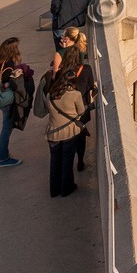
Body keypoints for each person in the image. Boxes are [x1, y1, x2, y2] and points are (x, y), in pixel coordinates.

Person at [36, 49, 88, 198]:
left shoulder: (50, 94)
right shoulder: (75, 95)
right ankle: (66, 188)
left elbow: (47, 109)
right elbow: (81, 112)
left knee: (54, 162)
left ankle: (54, 189)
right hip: (69, 132)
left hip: (52, 132)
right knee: (67, 161)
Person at [0, 37, 26, 168]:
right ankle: (3, 158)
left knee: (6, 125)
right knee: (7, 127)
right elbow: (6, 85)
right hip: (8, 100)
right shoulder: (8, 64)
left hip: (0, 99)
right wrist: (17, 75)